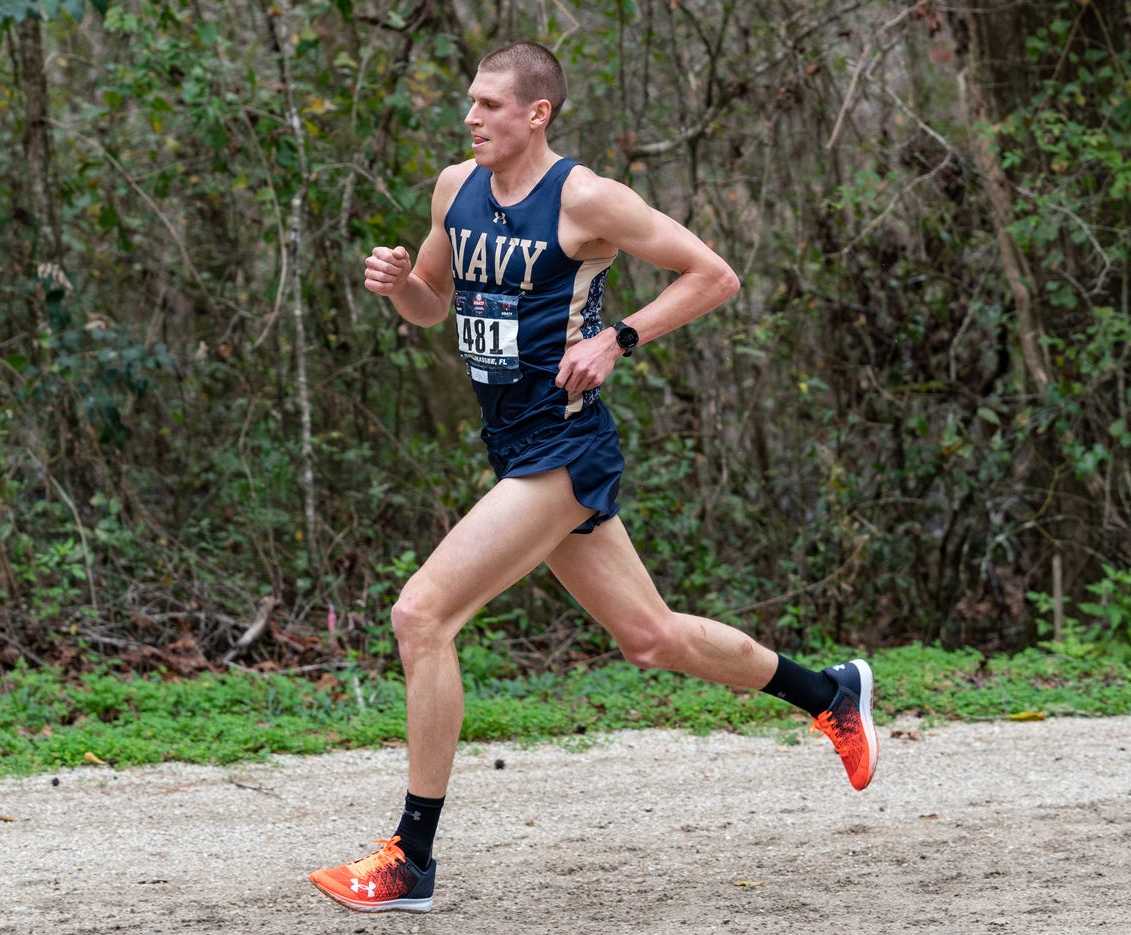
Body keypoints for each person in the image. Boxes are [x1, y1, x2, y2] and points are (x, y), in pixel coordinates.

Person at [309, 41, 878, 914]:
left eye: (491, 105)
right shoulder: (453, 189)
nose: (472, 118)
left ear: (536, 114)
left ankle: (410, 859)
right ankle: (829, 691)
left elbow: (713, 275)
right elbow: (433, 303)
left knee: (421, 614)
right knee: (649, 637)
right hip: (517, 447)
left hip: (564, 451)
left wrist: (620, 338)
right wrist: (397, 289)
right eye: (470, 104)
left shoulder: (586, 199)